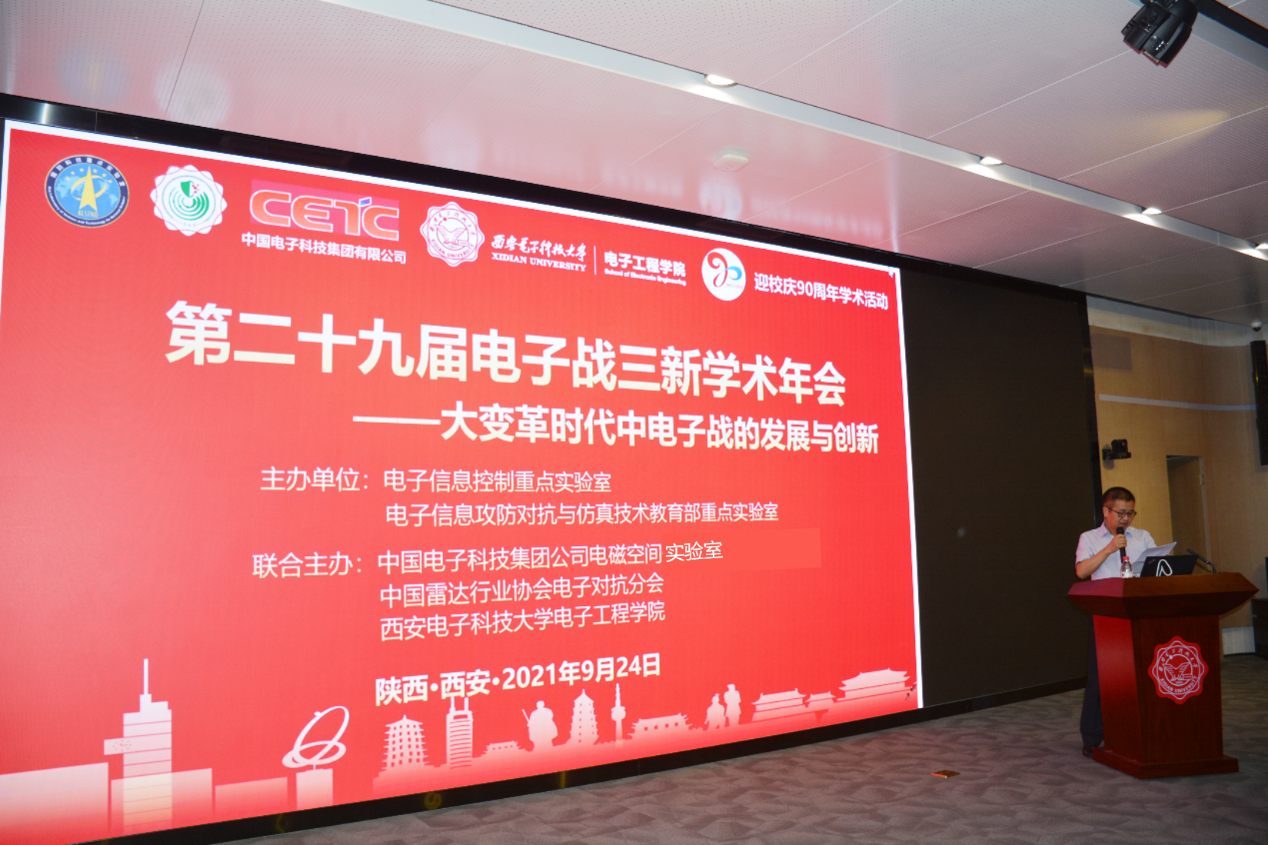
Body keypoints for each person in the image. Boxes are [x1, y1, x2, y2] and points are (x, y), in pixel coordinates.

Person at [1074, 486, 1156, 758]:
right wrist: (1109, 548)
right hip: (1105, 614)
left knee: (1142, 673)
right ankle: (1092, 736)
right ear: (1106, 511)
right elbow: (1082, 571)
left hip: (1139, 611)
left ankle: (1141, 728)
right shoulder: (1089, 538)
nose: (1126, 519)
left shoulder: (1143, 537)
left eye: (1130, 513)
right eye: (1121, 513)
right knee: (1101, 677)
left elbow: (1160, 569)